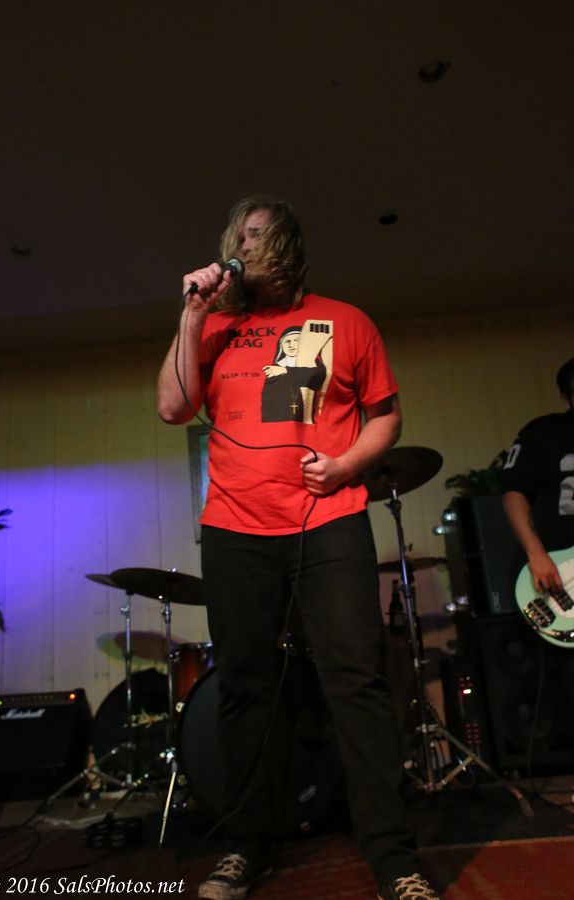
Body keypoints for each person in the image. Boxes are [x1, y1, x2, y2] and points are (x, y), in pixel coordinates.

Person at [158, 196, 440, 900]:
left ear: (285, 242)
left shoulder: (346, 321)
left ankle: (394, 859)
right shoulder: (215, 325)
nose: (242, 245)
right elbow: (172, 406)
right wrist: (191, 314)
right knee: (245, 687)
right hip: (236, 528)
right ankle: (246, 846)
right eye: (236, 235)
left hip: (328, 520)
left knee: (357, 682)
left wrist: (346, 467)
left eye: (256, 234)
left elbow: (386, 416)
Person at [502, 357, 574, 593]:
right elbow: (514, 492)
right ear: (566, 398)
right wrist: (536, 553)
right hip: (559, 566)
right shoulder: (542, 432)